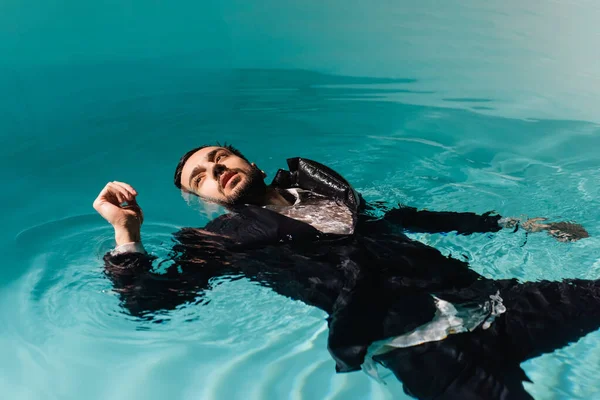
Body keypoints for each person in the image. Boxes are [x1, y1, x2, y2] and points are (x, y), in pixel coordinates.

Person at [94, 144, 594, 400]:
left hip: (491, 301)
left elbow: (407, 218)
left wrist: (515, 223)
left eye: (219, 157)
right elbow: (148, 303)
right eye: (200, 177)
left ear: (249, 161)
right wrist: (127, 236)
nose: (214, 170)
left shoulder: (322, 192)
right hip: (422, 348)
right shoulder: (220, 241)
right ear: (200, 200)